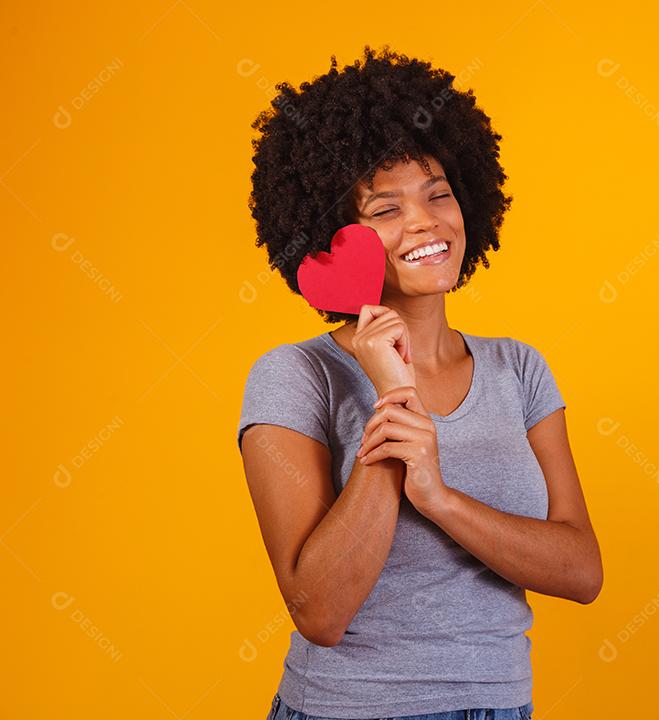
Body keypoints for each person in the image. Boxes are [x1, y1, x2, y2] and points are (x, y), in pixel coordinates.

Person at [238, 45, 603, 720]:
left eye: (439, 194)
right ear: (331, 236)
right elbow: (320, 610)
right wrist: (394, 397)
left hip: (502, 706)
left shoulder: (518, 369)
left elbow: (581, 571)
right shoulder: (295, 377)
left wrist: (439, 498)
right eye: (385, 209)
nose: (425, 222)